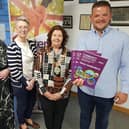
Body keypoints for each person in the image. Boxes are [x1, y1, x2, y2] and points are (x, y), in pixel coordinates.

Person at [73, 1, 129, 129]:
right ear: (91, 18)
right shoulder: (83, 38)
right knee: (84, 117)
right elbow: (79, 64)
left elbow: (126, 66)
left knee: (102, 122)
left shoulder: (123, 38)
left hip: (106, 93)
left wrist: (125, 91)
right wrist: (77, 77)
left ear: (110, 16)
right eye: (97, 15)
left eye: (104, 15)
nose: (100, 18)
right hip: (85, 90)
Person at [35, 25, 73, 129]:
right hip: (45, 94)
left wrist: (61, 94)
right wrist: (45, 92)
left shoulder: (69, 54)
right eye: (54, 35)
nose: (57, 38)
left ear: (63, 38)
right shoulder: (41, 52)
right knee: (48, 119)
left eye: (60, 35)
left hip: (62, 95)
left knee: (59, 119)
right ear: (50, 37)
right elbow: (37, 73)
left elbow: (71, 75)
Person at [7, 16, 40, 129]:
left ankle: (28, 117)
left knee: (31, 101)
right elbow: (14, 69)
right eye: (20, 27)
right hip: (20, 83)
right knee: (22, 104)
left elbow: (37, 62)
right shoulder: (12, 47)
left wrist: (33, 80)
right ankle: (22, 123)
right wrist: (26, 83)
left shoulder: (31, 44)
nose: (23, 29)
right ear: (16, 29)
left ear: (28, 29)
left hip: (32, 79)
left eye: (25, 27)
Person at [0, 39, 14, 129]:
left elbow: (12, 62)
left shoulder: (2, 44)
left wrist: (8, 70)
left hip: (4, 86)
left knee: (6, 113)